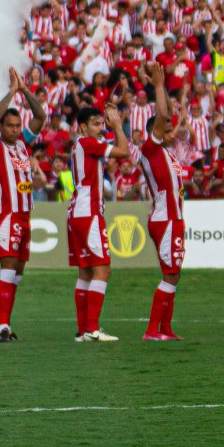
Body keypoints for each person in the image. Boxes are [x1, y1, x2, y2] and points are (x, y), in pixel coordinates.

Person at [0, 67, 46, 342]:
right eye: (10, 126)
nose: (14, 129)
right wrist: (11, 91)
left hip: (24, 215)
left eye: (17, 126)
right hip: (7, 215)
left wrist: (24, 90)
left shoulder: (22, 144)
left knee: (17, 273)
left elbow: (41, 116)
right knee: (8, 270)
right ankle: (2, 327)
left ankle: (7, 322)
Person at [69, 102, 129, 342]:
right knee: (103, 269)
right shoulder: (87, 143)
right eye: (96, 124)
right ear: (83, 127)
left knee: (86, 272)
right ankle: (92, 329)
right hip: (89, 213)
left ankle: (83, 330)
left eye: (102, 123)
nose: (101, 128)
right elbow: (124, 151)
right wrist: (118, 126)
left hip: (78, 212)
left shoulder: (81, 145)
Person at [135, 63, 185, 341]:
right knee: (170, 274)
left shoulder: (168, 153)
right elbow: (163, 112)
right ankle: (151, 330)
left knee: (174, 274)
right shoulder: (150, 149)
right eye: (163, 124)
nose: (168, 124)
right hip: (165, 219)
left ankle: (165, 328)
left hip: (173, 219)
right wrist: (158, 86)